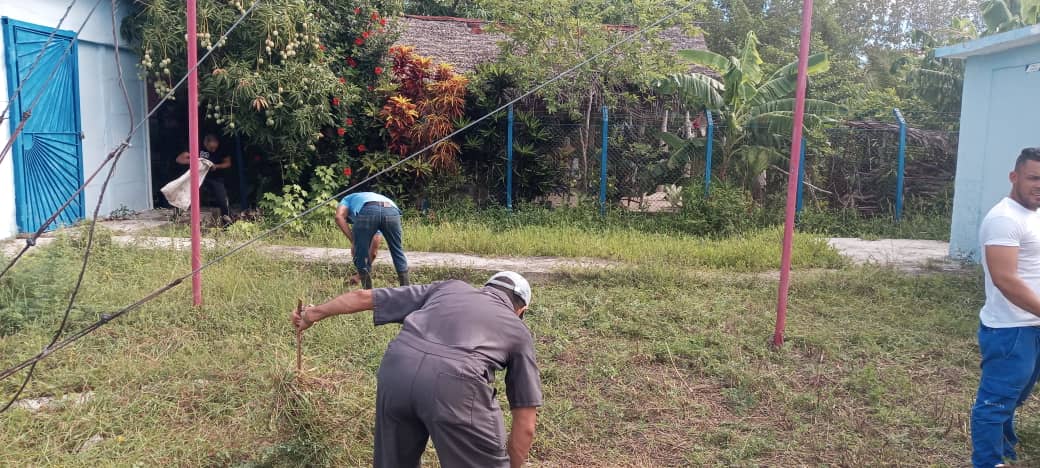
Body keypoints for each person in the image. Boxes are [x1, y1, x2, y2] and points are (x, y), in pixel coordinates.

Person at [291, 271, 542, 468]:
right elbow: (526, 421)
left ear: (486, 287)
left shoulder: (449, 289)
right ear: (521, 310)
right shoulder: (518, 330)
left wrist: (312, 314)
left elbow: (363, 297)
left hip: (397, 369)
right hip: (457, 384)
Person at [971, 147, 1040, 467]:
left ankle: (1004, 442)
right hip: (1011, 328)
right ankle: (988, 461)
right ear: (1014, 177)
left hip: (1032, 323)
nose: (1039, 185)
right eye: (1033, 178)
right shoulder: (1003, 218)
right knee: (995, 401)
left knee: (1018, 393)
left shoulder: (1033, 213)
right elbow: (1005, 279)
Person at [335, 192, 409, 288]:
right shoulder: (370, 199)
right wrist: (358, 276)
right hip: (391, 211)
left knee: (361, 254)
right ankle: (407, 290)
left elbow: (339, 217)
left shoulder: (346, 199)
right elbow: (373, 252)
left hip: (368, 210)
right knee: (397, 251)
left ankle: (368, 293)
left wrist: (354, 241)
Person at [176, 133, 232, 225]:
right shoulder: (196, 146)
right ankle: (182, 219)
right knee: (189, 194)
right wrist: (195, 162)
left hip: (215, 177)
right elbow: (179, 159)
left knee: (222, 199)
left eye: (215, 148)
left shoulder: (221, 149)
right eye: (211, 148)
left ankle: (227, 223)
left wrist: (216, 166)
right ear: (205, 143)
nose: (213, 150)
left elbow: (228, 163)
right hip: (198, 176)